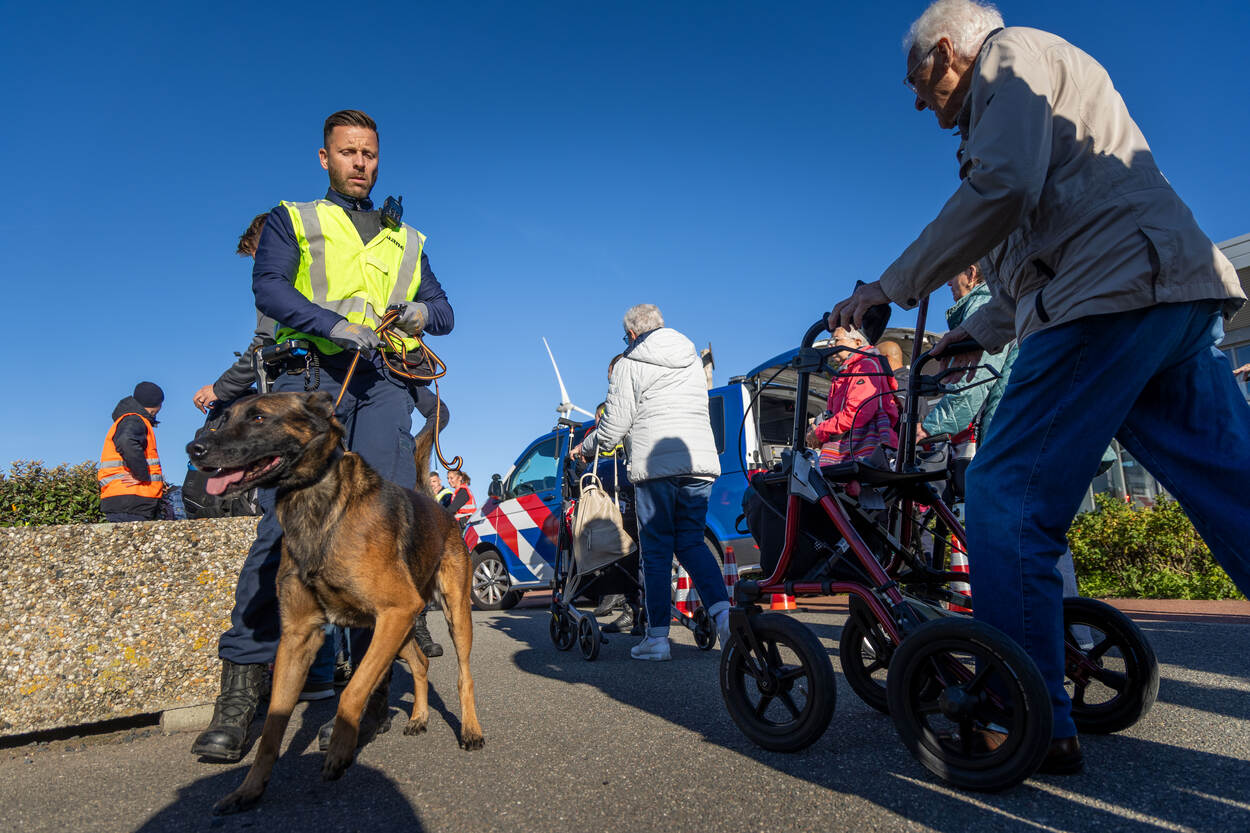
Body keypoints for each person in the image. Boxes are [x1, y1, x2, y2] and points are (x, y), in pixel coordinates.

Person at [831, 0, 1248, 774]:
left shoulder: (1005, 61)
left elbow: (1004, 191)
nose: (925, 109)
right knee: (1235, 489)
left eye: (919, 87)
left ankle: (1021, 712)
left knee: (1006, 498)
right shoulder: (1043, 67)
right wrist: (980, 329)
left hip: (1108, 298)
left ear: (947, 50)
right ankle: (1038, 695)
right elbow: (1042, 230)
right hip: (1169, 290)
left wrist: (889, 285)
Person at [192, 109, 454, 762]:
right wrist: (332, 325)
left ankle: (366, 690)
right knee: (283, 532)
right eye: (348, 152)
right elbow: (270, 286)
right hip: (310, 385)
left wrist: (423, 311)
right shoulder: (294, 219)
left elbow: (445, 309)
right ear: (325, 158)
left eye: (369, 152)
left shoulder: (408, 239)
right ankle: (240, 694)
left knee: (390, 524)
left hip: (385, 387)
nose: (360, 162)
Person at [572, 304, 730, 661]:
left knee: (656, 551)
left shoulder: (629, 363)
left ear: (631, 334)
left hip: (657, 468)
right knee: (692, 543)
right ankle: (724, 617)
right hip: (698, 462)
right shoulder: (690, 357)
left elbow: (613, 426)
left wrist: (586, 446)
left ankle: (657, 637)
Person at [805, 327, 899, 466]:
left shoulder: (865, 366)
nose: (831, 344)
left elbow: (857, 413)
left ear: (857, 342)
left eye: (836, 340)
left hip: (861, 451)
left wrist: (819, 432)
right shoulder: (851, 368)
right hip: (854, 448)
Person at [98, 382, 165, 522]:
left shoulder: (129, 419)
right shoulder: (134, 419)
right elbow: (126, 440)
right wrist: (140, 474)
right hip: (132, 497)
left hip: (125, 498)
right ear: (156, 406)